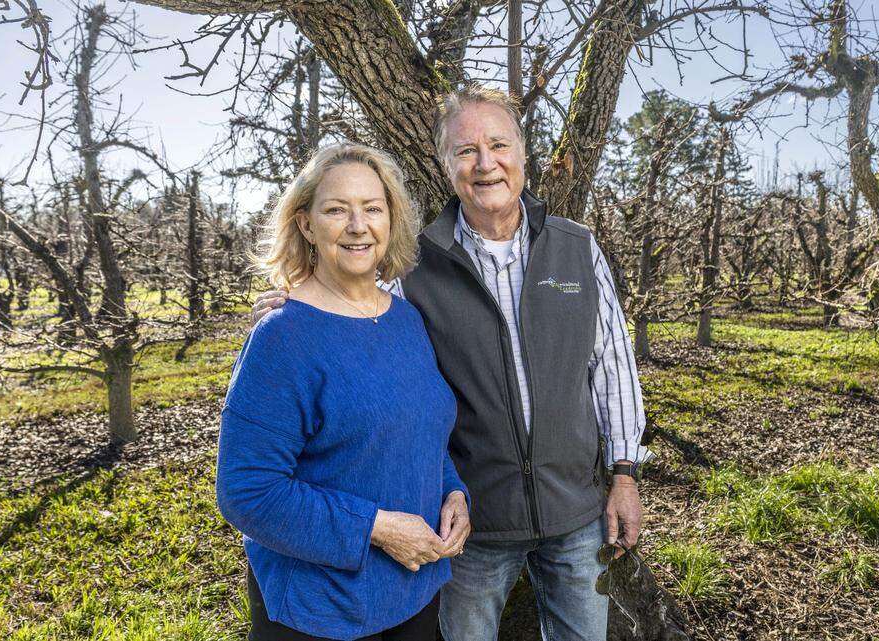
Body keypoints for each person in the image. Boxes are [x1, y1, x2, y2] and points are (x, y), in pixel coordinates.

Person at [253, 86, 648, 641]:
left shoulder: (577, 248)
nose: (486, 164)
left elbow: (612, 368)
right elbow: (352, 307)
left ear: (524, 155)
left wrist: (625, 474)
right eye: (466, 151)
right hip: (472, 524)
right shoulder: (415, 268)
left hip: (577, 513)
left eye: (499, 145)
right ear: (447, 167)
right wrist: (290, 303)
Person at [219, 143, 471, 641]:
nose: (358, 225)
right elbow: (247, 492)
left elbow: (420, 429)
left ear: (390, 220)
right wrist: (376, 528)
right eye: (337, 209)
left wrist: (453, 491)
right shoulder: (282, 336)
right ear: (306, 224)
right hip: (322, 611)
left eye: (372, 208)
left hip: (415, 594)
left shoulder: (405, 319)